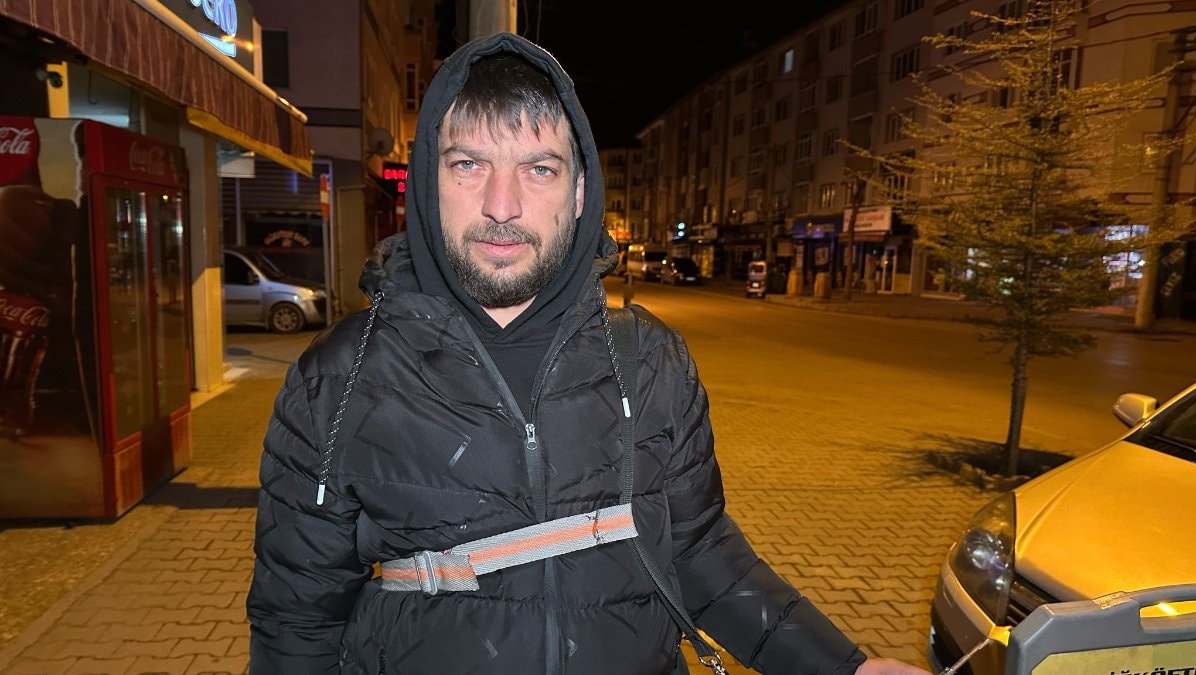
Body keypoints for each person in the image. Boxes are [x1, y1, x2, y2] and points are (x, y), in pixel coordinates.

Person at [247, 33, 931, 675]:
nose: (503, 204)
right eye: (468, 164)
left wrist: (843, 665)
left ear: (579, 194)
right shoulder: (339, 377)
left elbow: (699, 552)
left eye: (539, 168)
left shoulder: (650, 361)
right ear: (428, 182)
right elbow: (296, 619)